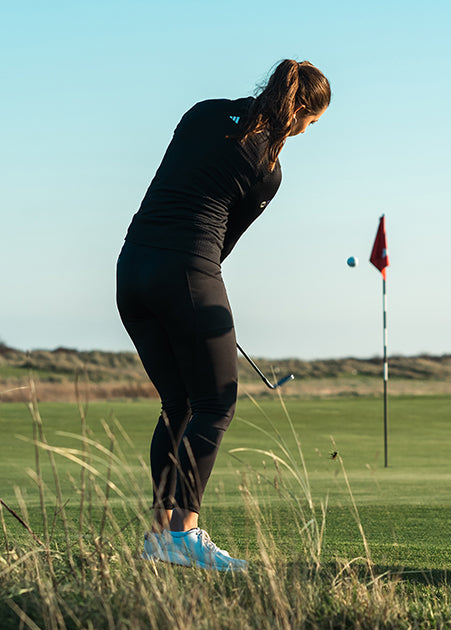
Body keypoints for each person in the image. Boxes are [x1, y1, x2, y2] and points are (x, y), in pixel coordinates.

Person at [116, 59, 330, 572]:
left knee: (178, 402)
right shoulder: (268, 170)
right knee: (216, 403)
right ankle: (184, 534)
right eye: (311, 122)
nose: (307, 132)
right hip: (187, 272)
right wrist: (195, 294)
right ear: (299, 110)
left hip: (132, 269)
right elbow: (221, 244)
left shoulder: (202, 112)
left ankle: (157, 536)